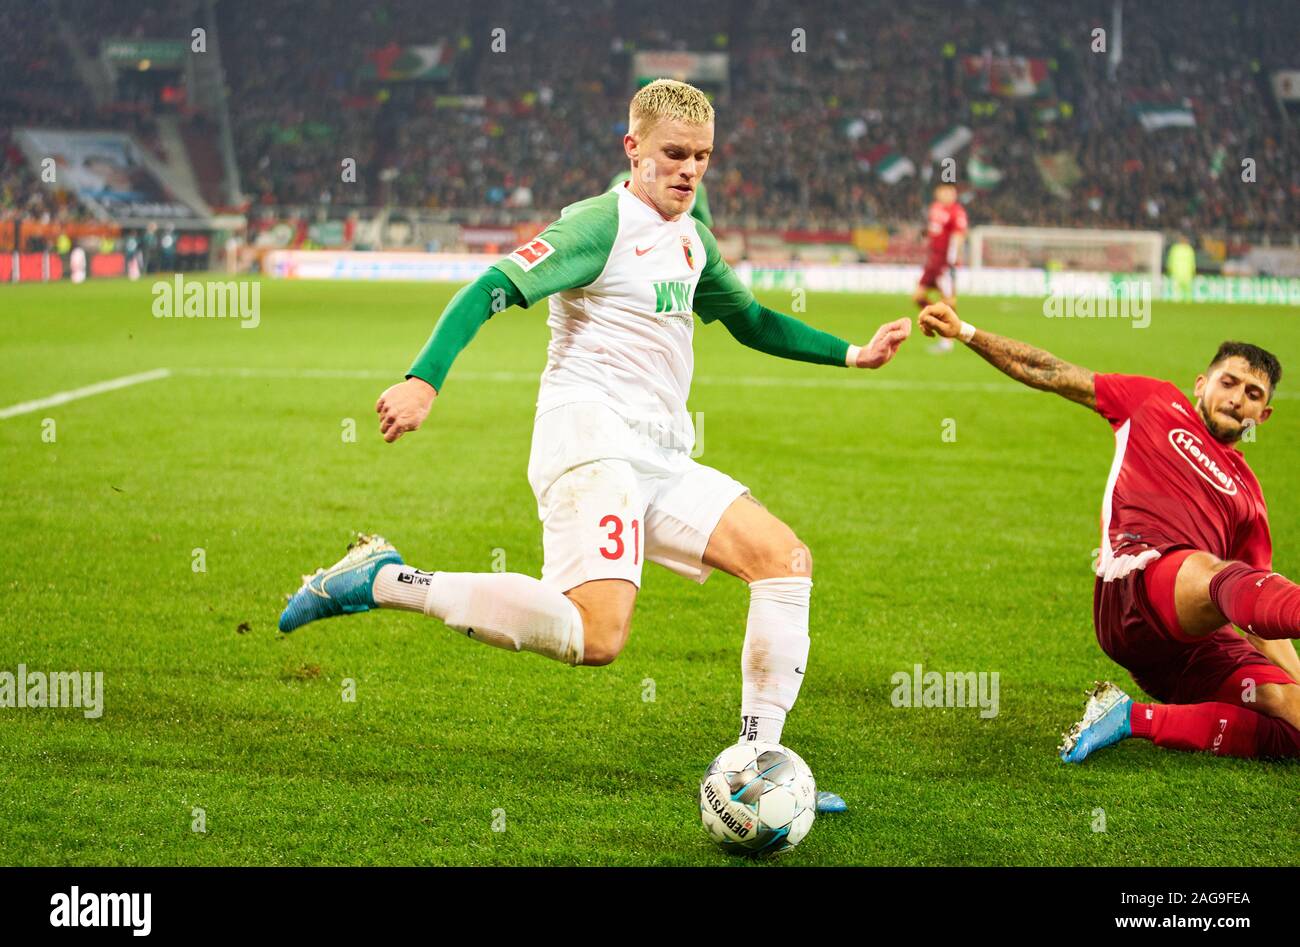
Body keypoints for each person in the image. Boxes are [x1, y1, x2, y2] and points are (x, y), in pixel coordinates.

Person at [280, 79, 912, 810]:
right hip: (588, 439)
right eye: (673, 154)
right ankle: (383, 580)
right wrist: (423, 380)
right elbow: (491, 285)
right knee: (598, 635)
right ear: (632, 147)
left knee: (782, 560)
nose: (688, 171)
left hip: (660, 453)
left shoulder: (691, 237)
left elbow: (751, 320)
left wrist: (853, 354)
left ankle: (757, 758)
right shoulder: (597, 225)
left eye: (702, 157)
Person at [917, 302, 1300, 762]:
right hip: (1136, 587)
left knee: (1290, 716)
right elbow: (1049, 371)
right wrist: (966, 331)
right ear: (1202, 383)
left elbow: (1260, 614)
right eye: (1229, 382)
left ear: (1264, 415)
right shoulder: (1154, 401)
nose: (1237, 398)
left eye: (1253, 394)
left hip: (1186, 649)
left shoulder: (1250, 496)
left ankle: (1128, 717)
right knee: (1211, 571)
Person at [913, 184, 967, 354]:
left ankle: (948, 340)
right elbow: (933, 231)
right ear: (937, 192)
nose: (948, 194)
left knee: (948, 301)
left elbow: (959, 236)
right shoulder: (934, 208)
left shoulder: (957, 212)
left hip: (944, 262)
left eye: (951, 191)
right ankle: (937, 319)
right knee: (917, 296)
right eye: (944, 191)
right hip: (932, 261)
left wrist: (953, 259)